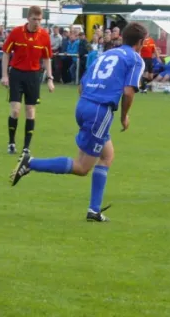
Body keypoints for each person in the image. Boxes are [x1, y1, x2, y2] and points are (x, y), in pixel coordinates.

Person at [9, 22, 147, 222]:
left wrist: (89, 106)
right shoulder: (135, 59)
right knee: (82, 167)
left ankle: (94, 210)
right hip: (100, 111)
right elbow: (128, 92)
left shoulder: (106, 54)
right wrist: (124, 116)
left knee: (107, 155)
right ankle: (30, 163)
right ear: (140, 42)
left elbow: (82, 84)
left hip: (84, 105)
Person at [1, 6, 55, 155]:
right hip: (17, 74)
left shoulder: (44, 36)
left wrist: (50, 78)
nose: (37, 22)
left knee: (30, 110)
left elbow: (47, 58)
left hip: (33, 76)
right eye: (34, 19)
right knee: (15, 110)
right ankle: (11, 142)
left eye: (39, 19)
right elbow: (6, 53)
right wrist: (4, 75)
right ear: (28, 18)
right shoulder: (16, 32)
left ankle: (26, 147)